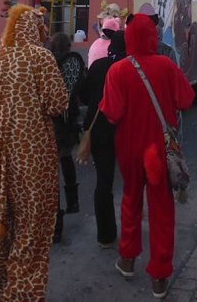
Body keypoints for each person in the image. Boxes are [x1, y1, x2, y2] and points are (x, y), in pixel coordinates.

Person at [0, 4, 68, 301]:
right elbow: (58, 103)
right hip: (32, 154)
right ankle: (22, 291)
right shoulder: (40, 57)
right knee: (32, 226)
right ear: (36, 29)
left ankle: (2, 280)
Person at [100, 13, 194, 300]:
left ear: (128, 37)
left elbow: (112, 113)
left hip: (129, 148)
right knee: (162, 210)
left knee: (130, 200)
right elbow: (186, 100)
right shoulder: (166, 66)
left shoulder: (118, 70)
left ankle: (128, 259)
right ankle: (159, 275)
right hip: (159, 151)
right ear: (153, 37)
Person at [77, 29, 126, 249]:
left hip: (99, 130)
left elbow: (84, 94)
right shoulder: (129, 68)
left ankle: (105, 235)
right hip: (124, 129)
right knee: (131, 182)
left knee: (103, 182)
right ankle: (131, 229)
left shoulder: (98, 66)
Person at [46, 32, 85, 243]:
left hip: (50, 122)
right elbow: (75, 91)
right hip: (66, 122)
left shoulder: (46, 62)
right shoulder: (73, 63)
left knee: (51, 174)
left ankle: (55, 223)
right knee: (65, 160)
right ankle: (72, 202)